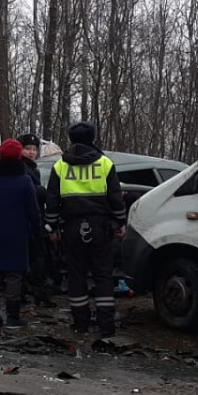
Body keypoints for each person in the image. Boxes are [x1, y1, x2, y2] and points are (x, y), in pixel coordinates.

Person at [45, 122, 126, 337]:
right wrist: (120, 222)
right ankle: (106, 325)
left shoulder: (60, 166)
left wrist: (51, 226)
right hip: (101, 227)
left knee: (76, 275)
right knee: (103, 276)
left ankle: (81, 323)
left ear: (71, 139)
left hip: (71, 228)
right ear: (93, 138)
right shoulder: (105, 163)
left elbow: (52, 200)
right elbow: (116, 196)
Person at [0, 138, 42, 328]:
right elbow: (33, 211)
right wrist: (36, 232)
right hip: (17, 234)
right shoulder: (24, 181)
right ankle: (13, 318)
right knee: (14, 275)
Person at [17, 133, 52, 306]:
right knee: (36, 259)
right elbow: (29, 193)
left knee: (33, 258)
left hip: (33, 218)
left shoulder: (32, 168)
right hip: (29, 220)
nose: (31, 152)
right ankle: (37, 295)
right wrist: (42, 193)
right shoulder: (21, 169)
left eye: (34, 149)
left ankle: (26, 293)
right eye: (27, 149)